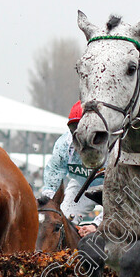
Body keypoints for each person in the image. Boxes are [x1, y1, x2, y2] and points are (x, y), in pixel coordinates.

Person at [40, 101, 104, 236]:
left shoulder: (114, 144)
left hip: (114, 188)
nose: (78, 134)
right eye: (74, 128)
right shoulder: (63, 145)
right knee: (62, 220)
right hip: (81, 185)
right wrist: (46, 208)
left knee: (110, 227)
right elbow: (53, 180)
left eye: (82, 128)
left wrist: (96, 225)